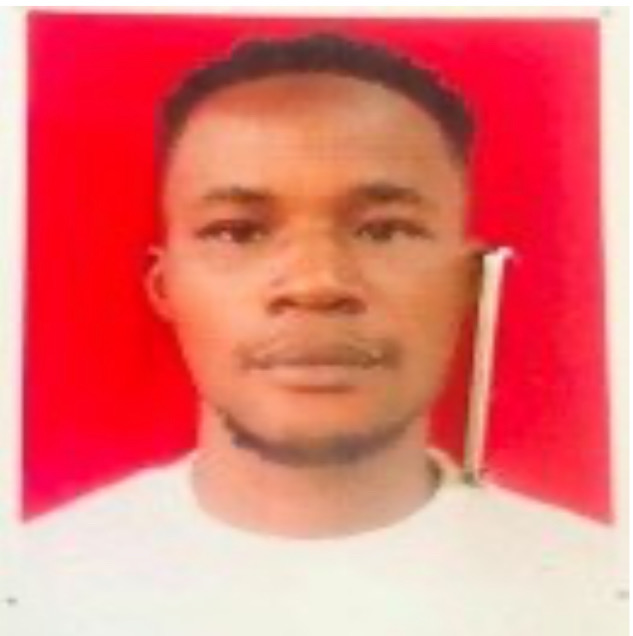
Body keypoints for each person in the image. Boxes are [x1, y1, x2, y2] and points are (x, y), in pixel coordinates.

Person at [23, 33, 622, 636]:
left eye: (384, 230)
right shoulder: (37, 585)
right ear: (165, 286)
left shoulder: (598, 591)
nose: (316, 284)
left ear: (467, 281)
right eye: (238, 232)